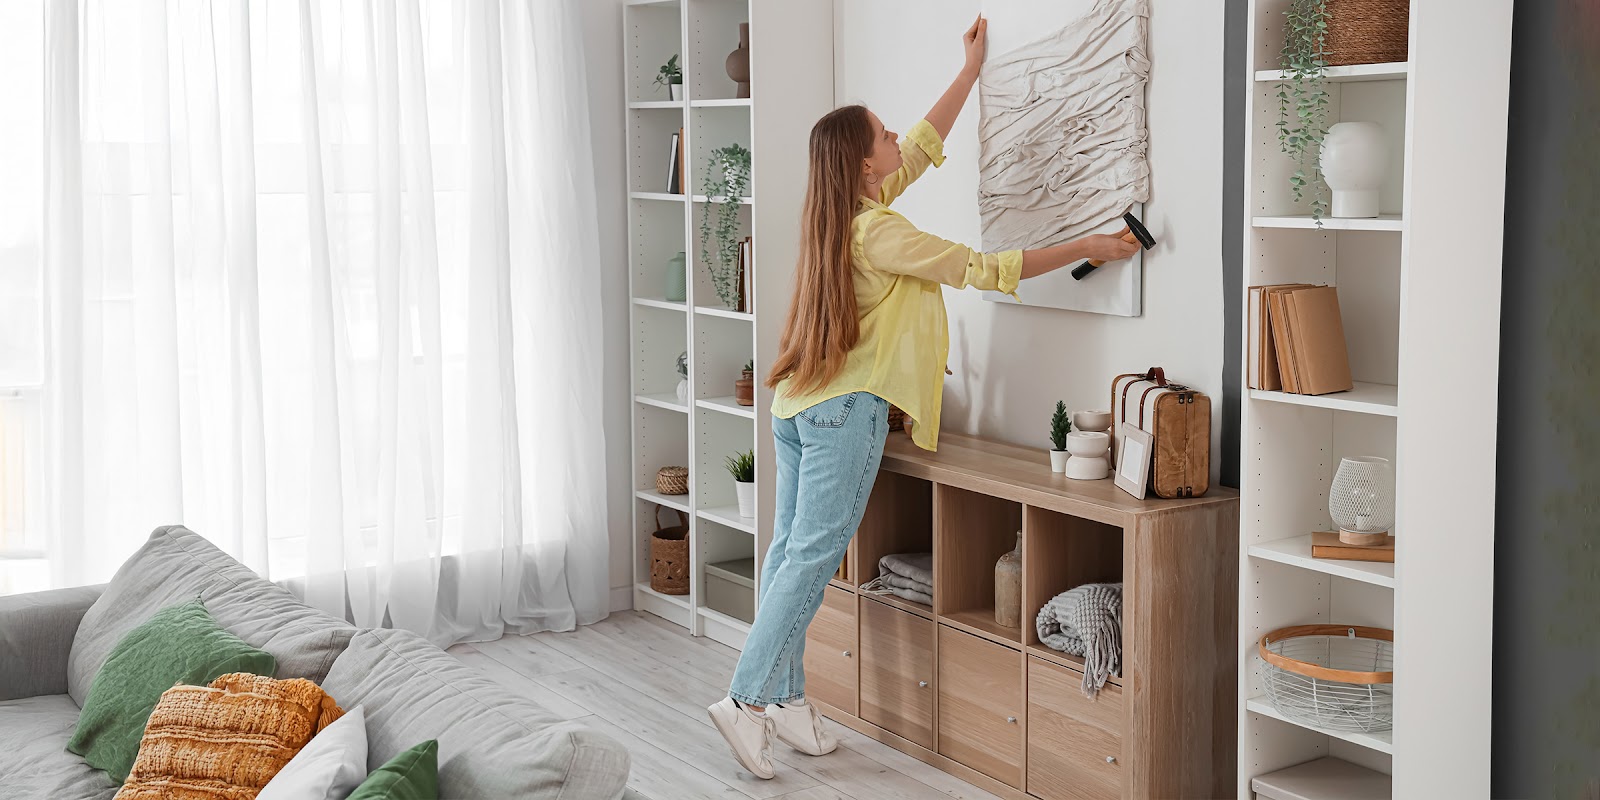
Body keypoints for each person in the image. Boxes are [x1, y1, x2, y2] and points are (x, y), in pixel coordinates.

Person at [706, 15, 1142, 779]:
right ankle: (746, 700)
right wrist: (1085, 245)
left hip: (797, 406)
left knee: (789, 557)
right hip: (845, 411)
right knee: (810, 559)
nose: (893, 137)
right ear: (863, 164)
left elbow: (923, 146)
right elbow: (980, 267)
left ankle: (785, 698)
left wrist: (970, 73)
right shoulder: (880, 232)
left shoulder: (841, 215)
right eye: (881, 133)